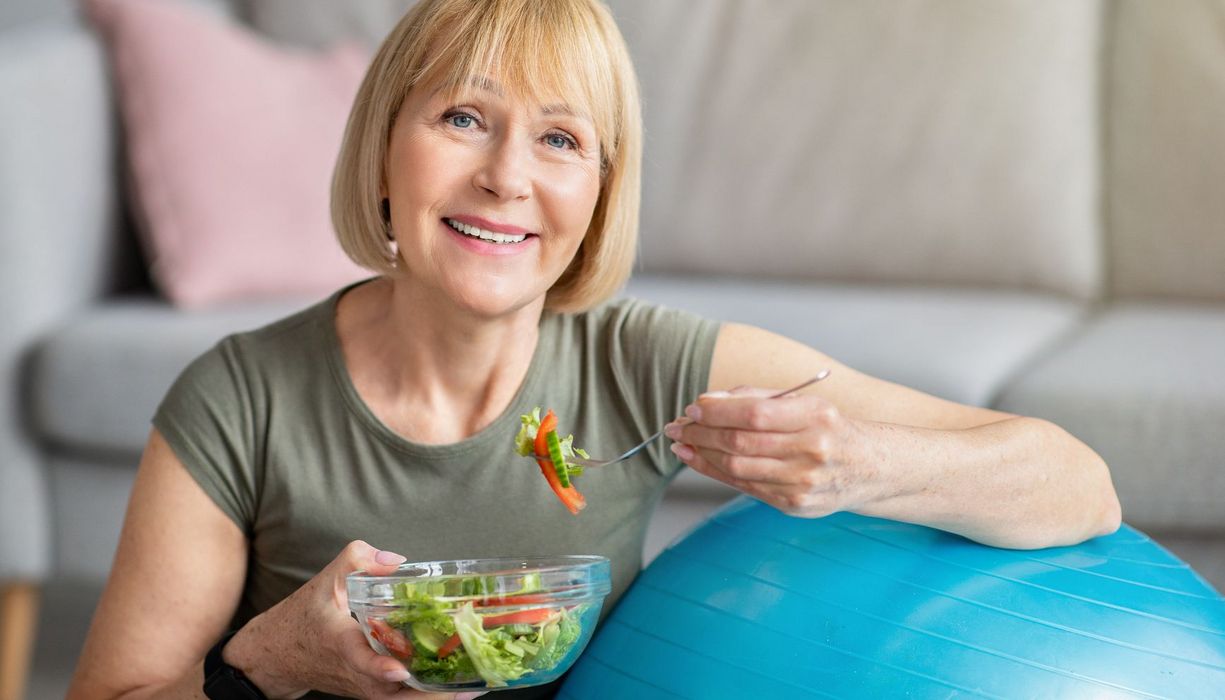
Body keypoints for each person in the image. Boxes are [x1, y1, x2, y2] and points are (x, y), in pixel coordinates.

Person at [67, 0, 1122, 698]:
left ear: (599, 194)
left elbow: (1075, 484)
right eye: (462, 119)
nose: (506, 178)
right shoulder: (238, 397)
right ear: (384, 150)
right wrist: (276, 657)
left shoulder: (645, 367)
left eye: (561, 139)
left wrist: (863, 465)